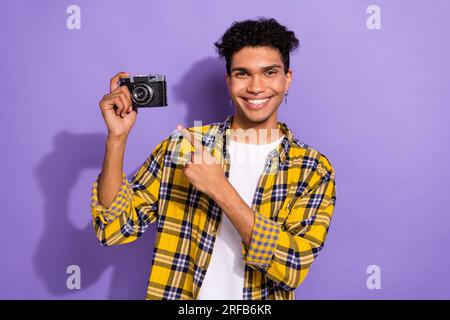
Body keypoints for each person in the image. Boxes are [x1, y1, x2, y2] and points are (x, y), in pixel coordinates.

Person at [90, 17, 336, 300]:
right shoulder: (183, 147)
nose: (256, 87)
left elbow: (290, 269)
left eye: (269, 72)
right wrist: (117, 139)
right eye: (243, 74)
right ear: (228, 80)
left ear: (287, 79)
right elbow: (113, 229)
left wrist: (219, 187)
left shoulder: (312, 169)